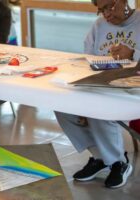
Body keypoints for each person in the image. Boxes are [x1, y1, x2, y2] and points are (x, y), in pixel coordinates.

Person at [55, 0, 140, 189]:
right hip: (102, 86)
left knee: (99, 107)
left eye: (109, 6)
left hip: (133, 92)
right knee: (63, 106)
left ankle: (119, 163)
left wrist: (133, 53)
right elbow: (88, 61)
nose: (106, 14)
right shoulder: (99, 25)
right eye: (101, 10)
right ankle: (102, 157)